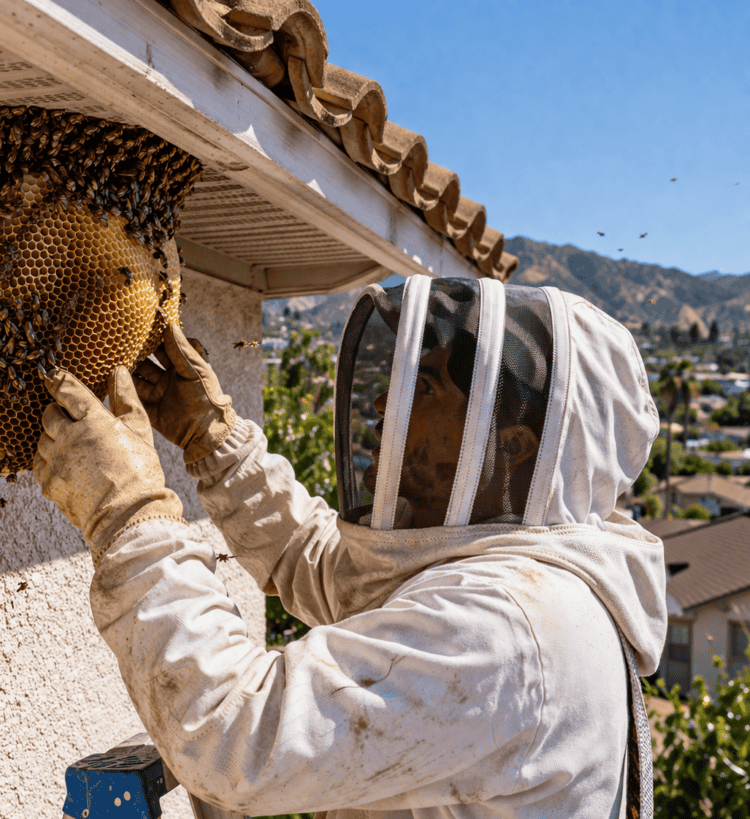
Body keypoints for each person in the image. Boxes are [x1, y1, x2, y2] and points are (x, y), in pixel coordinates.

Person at [33, 276, 667, 819]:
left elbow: (231, 734)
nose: (386, 403)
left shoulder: (507, 628)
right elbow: (334, 572)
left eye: (424, 390)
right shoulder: (513, 579)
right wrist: (214, 443)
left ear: (510, 446)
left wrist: (131, 513)